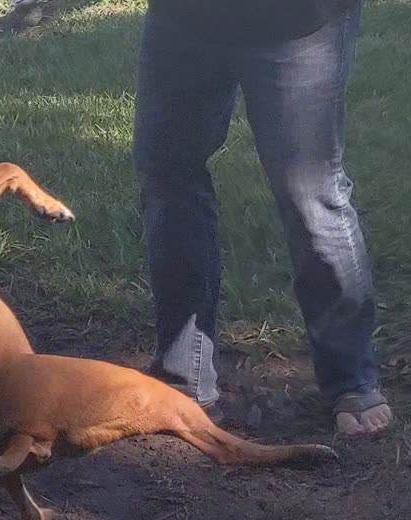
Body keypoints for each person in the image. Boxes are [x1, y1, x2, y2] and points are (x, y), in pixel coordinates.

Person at [133, 0, 393, 435]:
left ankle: (351, 378)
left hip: (297, 20)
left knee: (309, 191)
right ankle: (183, 373)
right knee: (167, 177)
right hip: (183, 17)